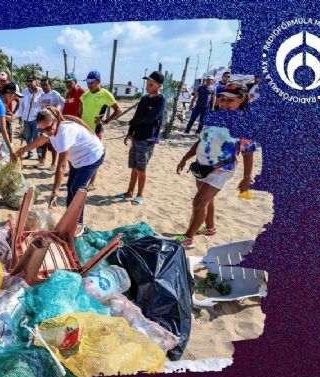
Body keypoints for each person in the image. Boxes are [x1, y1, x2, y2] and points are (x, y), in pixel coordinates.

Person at [174, 83, 256, 249]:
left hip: (221, 169)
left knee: (198, 202)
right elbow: (201, 141)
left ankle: (188, 238)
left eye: (229, 100)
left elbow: (248, 152)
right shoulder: (213, 117)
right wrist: (185, 157)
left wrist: (247, 177)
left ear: (240, 100)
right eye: (222, 99)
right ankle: (210, 228)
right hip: (201, 166)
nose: (224, 103)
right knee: (206, 200)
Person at [15, 107, 104, 226]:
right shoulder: (50, 128)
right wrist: (24, 149)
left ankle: (78, 225)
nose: (47, 132)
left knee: (77, 189)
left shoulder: (65, 132)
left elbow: (61, 166)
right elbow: (40, 140)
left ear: (56, 120)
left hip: (92, 156)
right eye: (42, 130)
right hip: (78, 159)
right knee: (70, 187)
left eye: (48, 128)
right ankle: (70, 218)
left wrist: (54, 193)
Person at [117, 71, 166, 206]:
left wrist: (134, 123)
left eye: (151, 82)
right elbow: (137, 116)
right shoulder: (144, 99)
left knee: (141, 168)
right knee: (134, 166)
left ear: (159, 85)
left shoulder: (161, 99)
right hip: (136, 137)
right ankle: (129, 192)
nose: (148, 83)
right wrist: (130, 132)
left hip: (148, 139)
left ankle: (140, 195)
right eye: (147, 81)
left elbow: (151, 119)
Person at [79, 70, 124, 189]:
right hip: (84, 130)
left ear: (98, 81)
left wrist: (105, 121)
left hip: (96, 130)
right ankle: (82, 177)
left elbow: (118, 110)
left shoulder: (105, 94)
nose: (89, 85)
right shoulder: (86, 95)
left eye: (91, 82)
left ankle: (92, 182)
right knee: (83, 155)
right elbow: (79, 112)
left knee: (94, 156)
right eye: (87, 82)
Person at [38, 77, 65, 169]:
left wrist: (56, 111)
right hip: (43, 123)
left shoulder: (55, 94)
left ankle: (53, 164)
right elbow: (40, 108)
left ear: (50, 85)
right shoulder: (41, 96)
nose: (44, 87)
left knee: (53, 143)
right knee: (43, 142)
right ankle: (42, 160)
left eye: (46, 84)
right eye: (42, 85)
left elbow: (62, 103)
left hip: (52, 124)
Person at [16, 74, 45, 161]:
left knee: (37, 137)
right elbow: (21, 104)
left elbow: (41, 104)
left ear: (35, 81)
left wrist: (35, 93)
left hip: (36, 119)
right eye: (28, 81)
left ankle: (39, 154)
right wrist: (20, 116)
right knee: (28, 136)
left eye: (31, 81)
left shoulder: (41, 92)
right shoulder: (24, 91)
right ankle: (30, 153)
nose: (29, 83)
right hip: (26, 119)